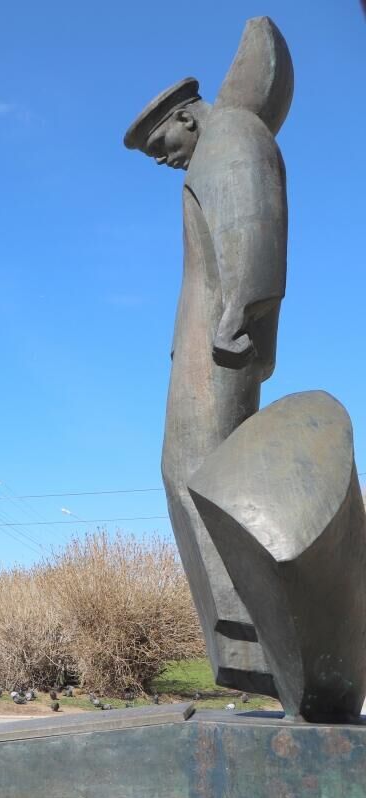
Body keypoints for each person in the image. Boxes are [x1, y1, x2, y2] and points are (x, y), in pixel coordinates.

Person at [124, 19, 291, 698]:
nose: (161, 158)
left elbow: (252, 218)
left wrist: (241, 308)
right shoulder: (217, 145)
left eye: (161, 144)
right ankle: (248, 637)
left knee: (198, 471)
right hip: (203, 334)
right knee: (189, 471)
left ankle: (256, 635)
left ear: (187, 116)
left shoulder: (231, 139)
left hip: (218, 335)